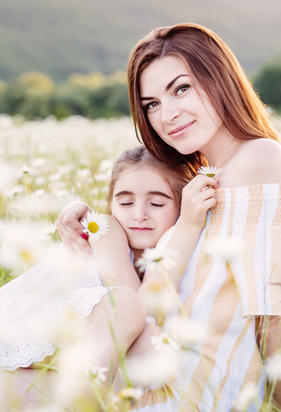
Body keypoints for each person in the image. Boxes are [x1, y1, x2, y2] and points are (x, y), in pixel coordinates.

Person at [58, 23, 281, 410]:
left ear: (220, 80)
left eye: (181, 88)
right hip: (149, 376)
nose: (168, 115)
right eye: (152, 104)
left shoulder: (258, 160)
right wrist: (90, 216)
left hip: (187, 393)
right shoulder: (203, 181)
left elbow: (272, 312)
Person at [0, 145, 216, 381]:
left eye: (156, 204)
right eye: (125, 203)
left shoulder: (162, 256)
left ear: (182, 205)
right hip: (18, 329)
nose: (139, 214)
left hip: (44, 354)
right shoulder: (106, 229)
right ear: (111, 204)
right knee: (131, 314)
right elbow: (143, 311)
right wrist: (188, 226)